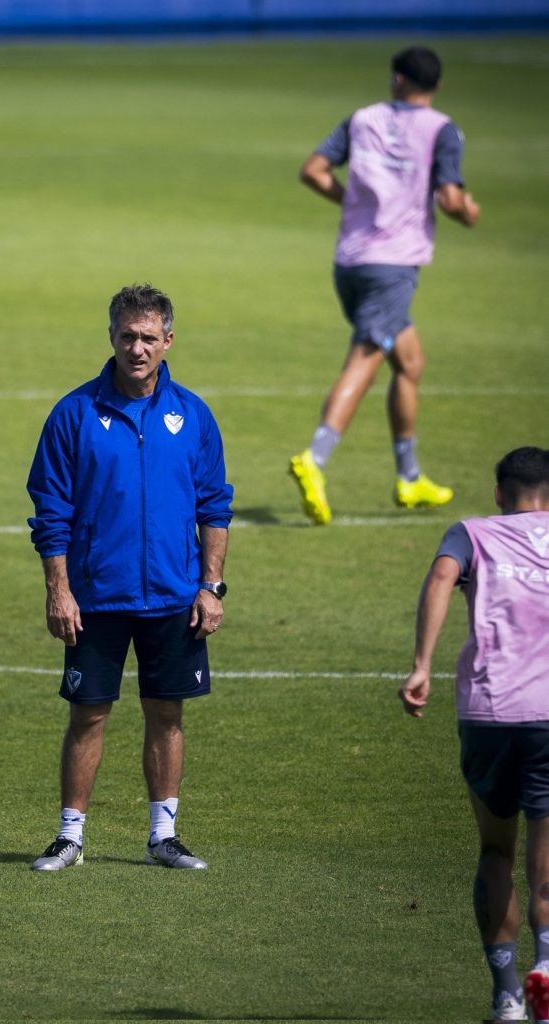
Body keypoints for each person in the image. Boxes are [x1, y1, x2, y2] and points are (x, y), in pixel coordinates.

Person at [26, 283, 233, 872]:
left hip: (174, 596)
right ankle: (70, 837)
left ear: (168, 341)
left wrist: (210, 586)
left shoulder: (193, 415)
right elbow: (50, 512)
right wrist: (59, 590)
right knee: (87, 715)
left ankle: (164, 836)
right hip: (96, 598)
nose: (136, 348)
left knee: (167, 715)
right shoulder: (73, 413)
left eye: (148, 337)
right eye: (126, 336)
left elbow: (214, 507)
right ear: (111, 337)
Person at [289, 46, 480, 525]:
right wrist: (468, 211)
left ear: (397, 79)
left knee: (409, 362)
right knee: (365, 359)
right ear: (436, 85)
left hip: (350, 262)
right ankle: (314, 458)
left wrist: (354, 204)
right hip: (393, 266)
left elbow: (313, 171)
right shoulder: (442, 130)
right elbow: (450, 199)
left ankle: (409, 477)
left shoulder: (362, 119)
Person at [399, 447, 549, 1022]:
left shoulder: (472, 532)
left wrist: (421, 664)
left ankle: (507, 994)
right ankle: (546, 967)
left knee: (495, 850)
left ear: (499, 494)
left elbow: (442, 576)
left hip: (488, 713)